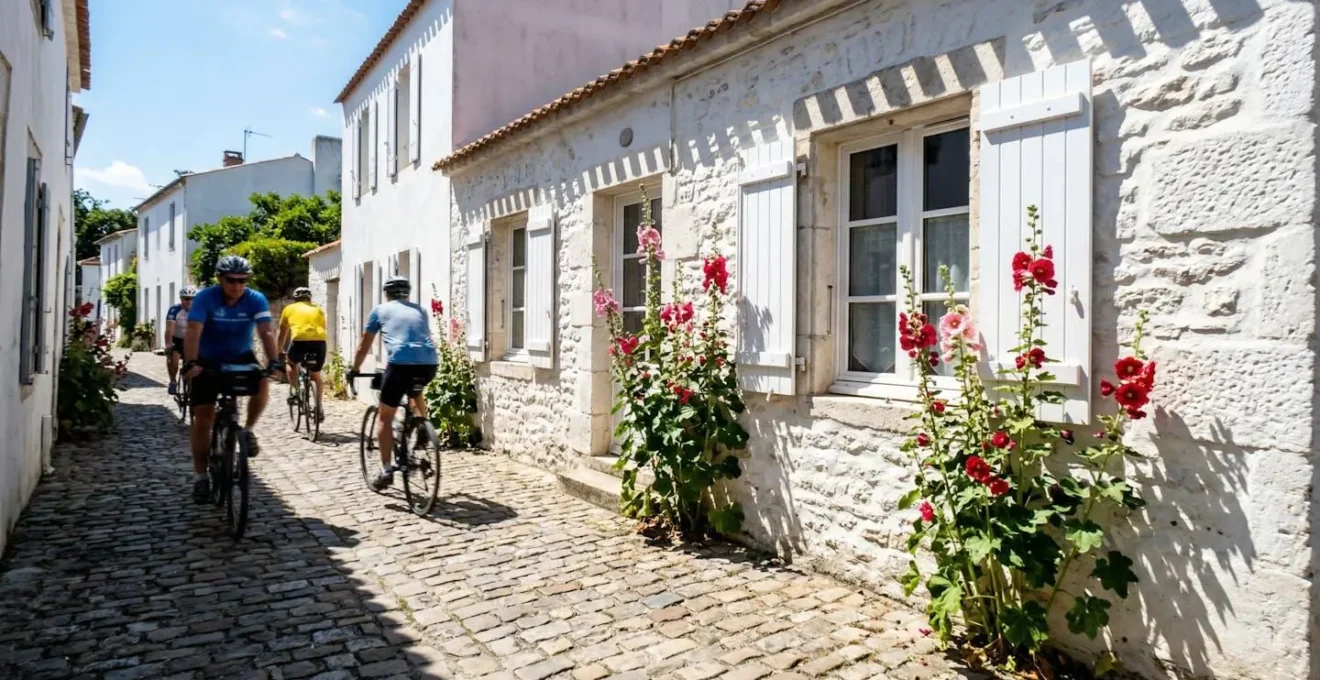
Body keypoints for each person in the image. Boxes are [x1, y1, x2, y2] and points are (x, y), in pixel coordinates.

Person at [181, 256, 282, 504]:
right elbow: (194, 330)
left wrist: (274, 360)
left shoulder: (255, 298)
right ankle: (201, 476)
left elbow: (266, 330)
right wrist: (191, 362)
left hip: (240, 355)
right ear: (220, 279)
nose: (237, 286)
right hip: (207, 358)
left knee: (261, 381)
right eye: (231, 281)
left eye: (242, 281)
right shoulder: (206, 298)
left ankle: (247, 430)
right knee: (203, 417)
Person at [351, 275, 438, 491]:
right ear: (407, 293)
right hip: (429, 364)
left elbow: (364, 345)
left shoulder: (380, 311)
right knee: (415, 393)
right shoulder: (420, 310)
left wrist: (354, 369)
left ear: (386, 293)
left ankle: (386, 469)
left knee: (384, 416)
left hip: (400, 365)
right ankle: (422, 427)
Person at [278, 287, 328, 422]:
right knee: (315, 375)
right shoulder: (318, 309)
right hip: (319, 342)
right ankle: (319, 406)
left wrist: (279, 350)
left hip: (299, 341)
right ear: (310, 298)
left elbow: (283, 332)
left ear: (295, 299)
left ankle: (295, 391)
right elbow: (324, 328)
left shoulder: (289, 309)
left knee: (290, 362)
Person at [164, 286, 197, 394]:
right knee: (173, 358)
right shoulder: (175, 310)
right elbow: (169, 329)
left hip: (193, 340)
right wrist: (168, 344)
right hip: (177, 338)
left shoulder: (200, 310)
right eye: (186, 298)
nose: (189, 301)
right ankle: (173, 382)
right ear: (181, 299)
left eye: (192, 298)